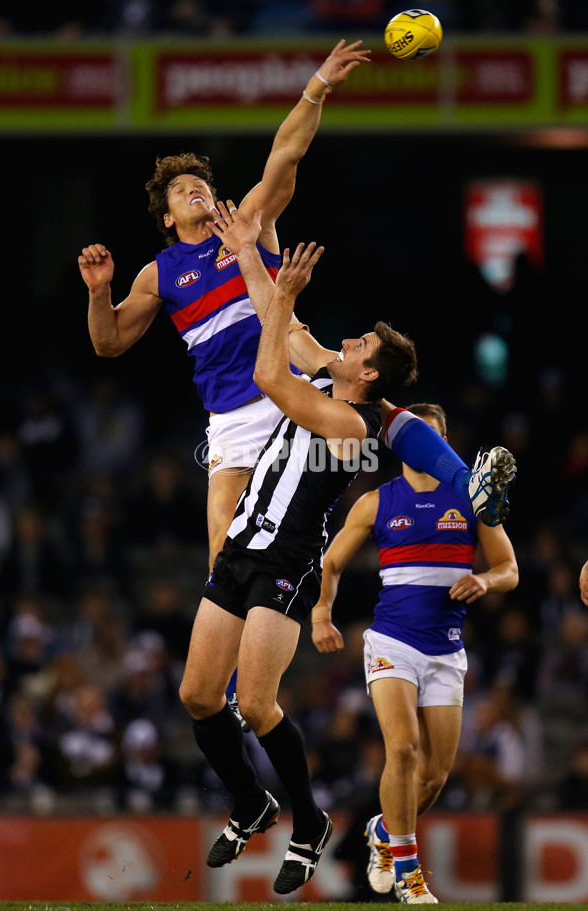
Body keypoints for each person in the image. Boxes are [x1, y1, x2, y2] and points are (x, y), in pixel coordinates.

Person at [177, 208, 516, 895]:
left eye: (359, 344)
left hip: (286, 557)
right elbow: (280, 319)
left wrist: (289, 301)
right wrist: (247, 251)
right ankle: (251, 802)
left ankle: (308, 822)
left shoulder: (349, 419)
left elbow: (272, 373)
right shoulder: (342, 381)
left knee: (261, 705)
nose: (348, 340)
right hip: (244, 538)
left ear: (368, 373)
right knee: (197, 694)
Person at [77, 38, 371, 573]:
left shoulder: (246, 225)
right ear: (166, 218)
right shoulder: (157, 275)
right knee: (222, 553)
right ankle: (236, 656)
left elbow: (286, 154)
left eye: (201, 184)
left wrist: (318, 85)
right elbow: (108, 342)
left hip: (289, 389)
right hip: (230, 416)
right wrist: (99, 292)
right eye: (181, 189)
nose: (195, 189)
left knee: (310, 520)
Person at [311, 403, 519, 904]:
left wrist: (485, 580)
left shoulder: (469, 498)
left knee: (433, 777)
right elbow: (333, 561)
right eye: (418, 437)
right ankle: (408, 873)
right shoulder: (377, 502)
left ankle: (385, 831)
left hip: (445, 651)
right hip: (391, 643)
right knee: (401, 749)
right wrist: (321, 612)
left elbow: (509, 567)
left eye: (436, 439)